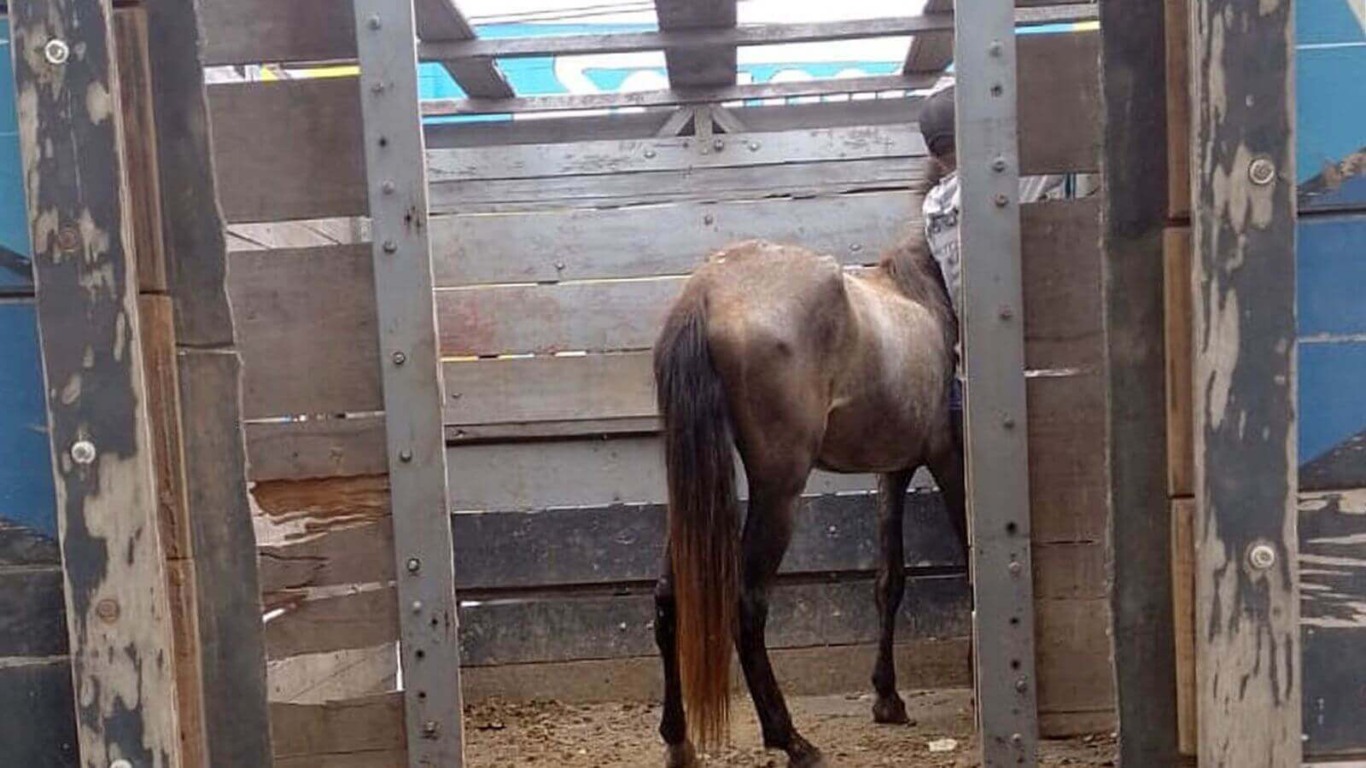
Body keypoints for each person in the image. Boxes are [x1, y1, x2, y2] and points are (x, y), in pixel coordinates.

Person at [916, 83, 1069, 437]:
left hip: (974, 370)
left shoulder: (933, 207)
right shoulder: (999, 186)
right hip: (1026, 363)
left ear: (934, 155)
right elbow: (1059, 157)